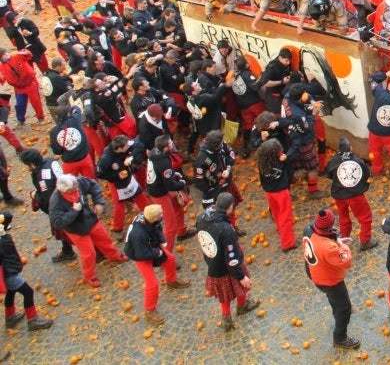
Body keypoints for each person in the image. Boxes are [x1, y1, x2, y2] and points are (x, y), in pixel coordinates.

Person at [48, 173, 128, 288]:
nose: (76, 189)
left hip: (90, 219)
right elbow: (58, 222)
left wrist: (99, 202)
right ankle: (89, 276)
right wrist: (74, 211)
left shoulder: (78, 182)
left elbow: (93, 186)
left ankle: (115, 256)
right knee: (89, 253)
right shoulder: (55, 201)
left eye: (76, 187)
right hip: (76, 230)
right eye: (73, 190)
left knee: (105, 239)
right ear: (64, 190)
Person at [196, 192, 259, 331]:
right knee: (242, 285)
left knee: (224, 296)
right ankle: (242, 306)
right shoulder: (226, 229)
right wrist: (241, 276)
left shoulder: (201, 218)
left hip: (213, 264)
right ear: (229, 207)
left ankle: (226, 319)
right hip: (227, 266)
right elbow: (231, 259)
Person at [123, 204, 190, 326]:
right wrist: (157, 252)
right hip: (139, 255)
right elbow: (142, 253)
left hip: (150, 245)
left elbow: (158, 228)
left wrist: (162, 240)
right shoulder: (138, 234)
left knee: (170, 259)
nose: (162, 215)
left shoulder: (149, 218)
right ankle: (149, 310)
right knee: (152, 284)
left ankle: (171, 281)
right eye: (160, 214)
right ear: (153, 217)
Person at [302, 208, 359, 350]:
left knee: (335, 300)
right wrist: (343, 245)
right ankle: (340, 338)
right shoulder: (328, 248)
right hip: (330, 281)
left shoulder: (309, 230)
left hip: (315, 273)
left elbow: (324, 239)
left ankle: (337, 310)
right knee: (344, 308)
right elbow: (346, 261)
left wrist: (337, 240)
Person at [0, 211, 54, 331]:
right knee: (28, 292)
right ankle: (32, 320)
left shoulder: (2, 234)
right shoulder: (2, 240)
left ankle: (10, 317)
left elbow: (8, 216)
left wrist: (2, 217)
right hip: (9, 273)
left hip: (10, 271)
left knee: (11, 292)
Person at [22, 149, 76, 263]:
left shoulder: (43, 178)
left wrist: (34, 195)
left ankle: (95, 250)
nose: (27, 168)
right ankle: (67, 251)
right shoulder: (50, 161)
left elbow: (48, 199)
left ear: (32, 164)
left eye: (27, 165)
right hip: (68, 197)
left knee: (71, 231)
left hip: (60, 207)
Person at [324, 137, 376, 251]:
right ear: (350, 148)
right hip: (355, 195)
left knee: (343, 217)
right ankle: (365, 241)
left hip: (339, 195)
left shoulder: (334, 160)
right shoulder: (358, 160)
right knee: (365, 217)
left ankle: (344, 240)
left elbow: (328, 173)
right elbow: (367, 175)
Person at [255, 139, 297, 252]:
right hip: (281, 192)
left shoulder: (262, 163)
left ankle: (281, 230)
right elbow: (289, 173)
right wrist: (285, 160)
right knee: (286, 216)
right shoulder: (280, 162)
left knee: (277, 214)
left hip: (269, 193)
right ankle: (287, 243)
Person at [0, 48, 45, 125]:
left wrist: (25, 52)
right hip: (18, 88)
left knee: (36, 101)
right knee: (20, 104)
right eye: (2, 56)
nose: (6, 56)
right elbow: (3, 78)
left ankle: (40, 117)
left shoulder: (17, 56)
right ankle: (20, 120)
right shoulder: (2, 67)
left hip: (30, 83)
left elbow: (29, 55)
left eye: (6, 54)